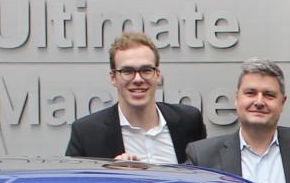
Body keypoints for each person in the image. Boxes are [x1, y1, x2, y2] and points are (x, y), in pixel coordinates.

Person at [184, 57, 290, 183]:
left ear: (282, 102)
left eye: (269, 95)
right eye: (250, 93)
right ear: (237, 98)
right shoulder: (203, 157)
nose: (259, 102)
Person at [65, 31, 204, 163]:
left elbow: (206, 177)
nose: (138, 79)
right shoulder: (87, 133)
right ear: (114, 78)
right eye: (127, 71)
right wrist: (111, 176)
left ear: (158, 75)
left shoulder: (189, 121)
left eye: (146, 70)